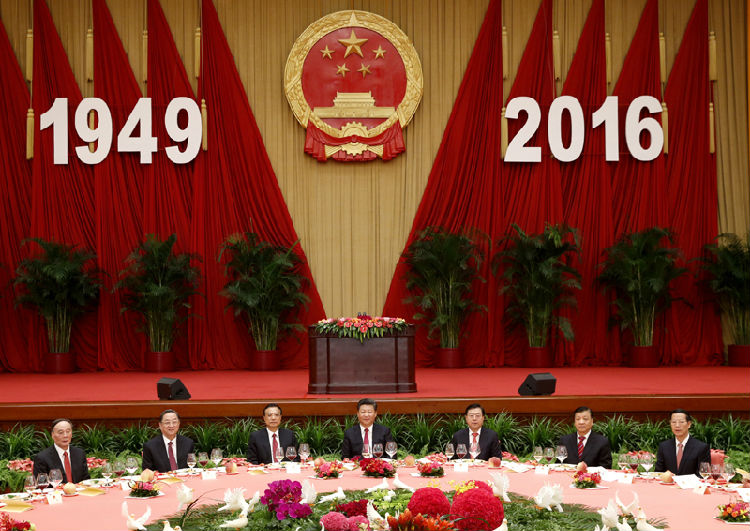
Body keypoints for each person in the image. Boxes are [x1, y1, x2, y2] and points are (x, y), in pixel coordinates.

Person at [655, 409, 710, 477]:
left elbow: (703, 475)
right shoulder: (664, 446)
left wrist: (681, 480)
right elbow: (658, 473)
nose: (677, 425)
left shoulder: (702, 447)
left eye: (681, 422)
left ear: (689, 424)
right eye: (674, 422)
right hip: (668, 483)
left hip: (691, 484)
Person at [33, 418, 90, 484]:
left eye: (68, 431)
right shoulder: (42, 458)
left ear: (71, 434)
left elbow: (86, 480)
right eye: (61, 432)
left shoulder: (79, 454)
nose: (65, 435)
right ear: (52, 435)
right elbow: (41, 485)